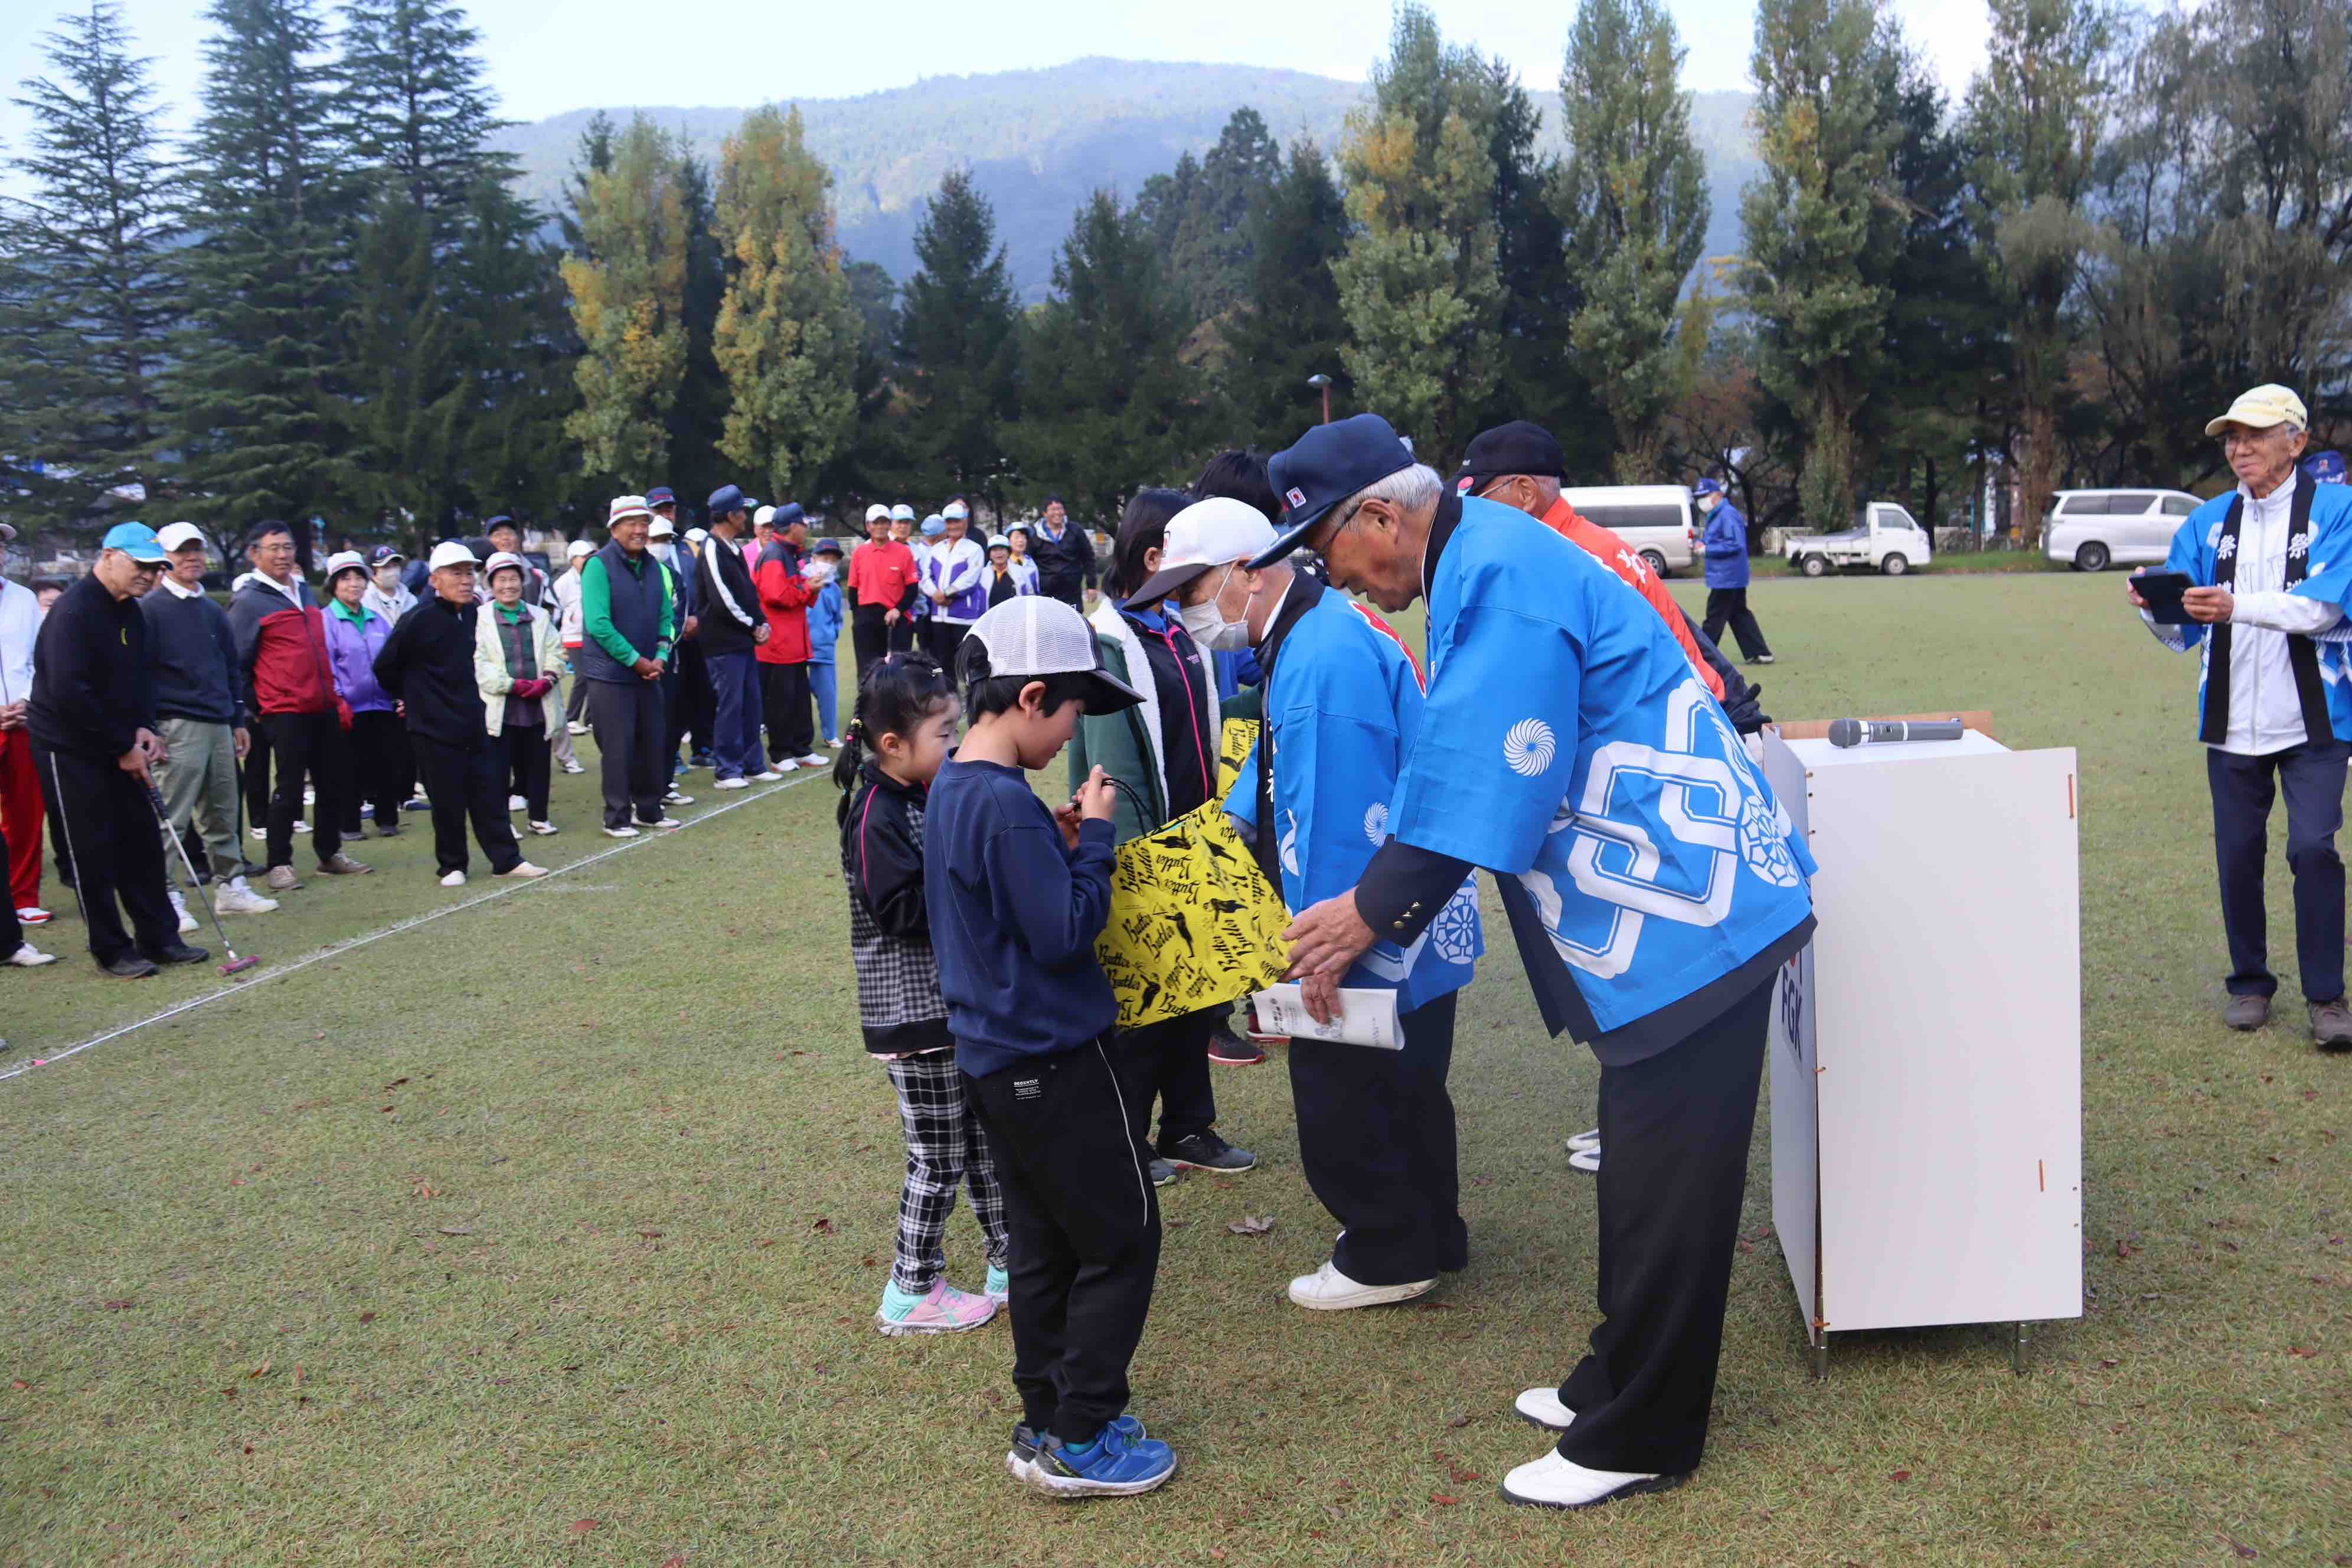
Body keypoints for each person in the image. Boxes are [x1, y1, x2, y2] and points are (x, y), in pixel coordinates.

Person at [1263, 414, 1817, 1510]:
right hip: (1662, 912)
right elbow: (1460, 752)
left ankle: (1641, 1434)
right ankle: (1614, 1376)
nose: (1339, 582)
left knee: (1668, 1188)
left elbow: (1484, 763)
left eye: (1327, 552)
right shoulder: (1480, 561)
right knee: (1639, 1164)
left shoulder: (1499, 575)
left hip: (1691, 917)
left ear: (1378, 516)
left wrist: (1367, 912)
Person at [1138, 496, 1481, 1308]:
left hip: (1365, 924)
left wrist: (1322, 950)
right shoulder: (1318, 634)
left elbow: (1335, 815)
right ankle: (1429, 1228)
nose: (1189, 613)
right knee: (1410, 1087)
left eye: (1194, 590)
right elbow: (1281, 778)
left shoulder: (1318, 658)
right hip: (1413, 918)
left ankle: (1386, 1253)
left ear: (1248, 573)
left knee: (1344, 1092)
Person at [923, 594, 1177, 1497]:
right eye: (1074, 711)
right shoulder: (1007, 806)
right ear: (1032, 698)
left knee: (1044, 1248)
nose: (1076, 733)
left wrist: (1059, 847)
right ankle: (1083, 1435)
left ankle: (1044, 1415)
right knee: (1122, 1239)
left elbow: (1007, 907)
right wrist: (1098, 840)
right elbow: (1066, 935)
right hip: (1055, 1061)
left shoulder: (958, 785)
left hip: (996, 1064)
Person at [2130, 384, 2352, 1050]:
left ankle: (2328, 997)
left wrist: (2234, 606)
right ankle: (2250, 983)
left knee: (2312, 849)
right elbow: (2185, 629)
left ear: (2298, 440)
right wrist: (2154, 604)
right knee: (2237, 855)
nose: (2239, 447)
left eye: (2255, 434)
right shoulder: (2207, 521)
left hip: (2317, 720)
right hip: (2231, 722)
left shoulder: (2338, 511)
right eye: (2231, 436)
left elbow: (2325, 610)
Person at [1072, 489, 1260, 1181]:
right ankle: (1128, 1140)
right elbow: (1109, 761)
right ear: (1155, 558)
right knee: (1143, 1006)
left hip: (1195, 836)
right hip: (1142, 847)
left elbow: (1206, 725)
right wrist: (1142, 855)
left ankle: (1188, 1126)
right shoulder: (1106, 643)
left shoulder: (1179, 635)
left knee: (1199, 992)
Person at [836, 651, 1009, 1335]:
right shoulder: (876, 812)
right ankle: (911, 1288)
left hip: (952, 1008)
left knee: (988, 1142)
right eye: (943, 733)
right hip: (916, 1019)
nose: (957, 743)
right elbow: (898, 911)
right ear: (891, 744)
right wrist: (975, 884)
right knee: (938, 1157)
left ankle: (1010, 1258)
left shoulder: (923, 794)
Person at [27, 523, 208, 978]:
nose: (149, 576)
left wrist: (145, 727)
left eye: (155, 568)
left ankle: (160, 937)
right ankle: (111, 949)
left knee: (141, 843)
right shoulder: (74, 611)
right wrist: (121, 744)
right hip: (68, 747)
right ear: (108, 555)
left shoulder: (132, 611)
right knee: (93, 852)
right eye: (141, 566)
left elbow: (141, 677)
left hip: (119, 740)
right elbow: (71, 693)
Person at [371, 542, 545, 886]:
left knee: (489, 793)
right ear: (435, 580)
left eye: (469, 573)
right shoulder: (418, 619)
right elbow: (385, 667)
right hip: (432, 727)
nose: (466, 580)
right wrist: (409, 697)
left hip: (473, 719)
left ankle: (506, 859)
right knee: (447, 800)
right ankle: (452, 865)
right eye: (456, 573)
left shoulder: (472, 614)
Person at [141, 523, 279, 923]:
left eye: (197, 550)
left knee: (222, 812)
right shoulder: (150, 609)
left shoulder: (210, 609)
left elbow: (230, 668)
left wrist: (237, 719)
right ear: (165, 559)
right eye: (183, 551)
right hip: (175, 725)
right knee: (172, 818)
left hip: (219, 723)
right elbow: (141, 675)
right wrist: (150, 726)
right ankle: (165, 897)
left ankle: (230, 886)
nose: (192, 558)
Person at [228, 520, 370, 891]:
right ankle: (279, 863)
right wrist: (253, 708)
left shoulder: (304, 591)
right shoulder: (248, 602)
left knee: (331, 783)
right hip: (283, 710)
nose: (282, 554)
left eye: (287, 547)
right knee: (289, 788)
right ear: (254, 555)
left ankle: (329, 854)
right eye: (273, 548)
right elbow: (236, 662)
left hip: (322, 705)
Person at [576, 496, 678, 838]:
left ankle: (649, 810)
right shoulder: (597, 566)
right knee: (618, 747)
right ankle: (617, 817)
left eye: (644, 523)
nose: (639, 530)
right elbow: (599, 624)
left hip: (650, 671)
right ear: (614, 528)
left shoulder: (654, 567)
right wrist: (637, 661)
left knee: (652, 741)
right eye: (631, 523)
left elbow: (667, 616)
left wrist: (661, 656)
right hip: (611, 676)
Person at [312, 551, 406, 847]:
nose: (353, 584)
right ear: (333, 586)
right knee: (348, 767)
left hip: (382, 704)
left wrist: (398, 693)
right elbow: (326, 663)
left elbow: (394, 660)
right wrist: (339, 699)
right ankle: (350, 822)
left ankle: (388, 818)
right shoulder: (325, 620)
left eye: (358, 578)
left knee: (387, 763)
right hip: (347, 708)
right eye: (345, 578)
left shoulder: (377, 620)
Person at [477, 551, 565, 837]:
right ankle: (503, 823)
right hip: (501, 706)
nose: (508, 586)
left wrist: (548, 679)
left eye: (514, 579)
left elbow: (556, 652)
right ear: (491, 584)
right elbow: (479, 663)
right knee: (499, 768)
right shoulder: (480, 618)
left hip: (537, 704)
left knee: (539, 764)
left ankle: (538, 817)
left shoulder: (539, 616)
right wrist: (511, 685)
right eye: (501, 580)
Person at [695, 492, 776, 790]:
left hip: (742, 641)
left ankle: (753, 764)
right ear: (730, 516)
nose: (746, 516)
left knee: (752, 704)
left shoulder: (733, 548)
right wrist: (753, 625)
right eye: (742, 511)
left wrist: (761, 622)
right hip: (722, 643)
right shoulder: (712, 548)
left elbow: (747, 593)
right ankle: (727, 770)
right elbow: (721, 599)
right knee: (730, 705)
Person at [752, 501, 827, 773]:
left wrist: (811, 588)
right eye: (803, 524)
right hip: (778, 644)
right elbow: (777, 596)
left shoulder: (787, 554)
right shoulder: (774, 555)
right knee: (780, 701)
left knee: (797, 698)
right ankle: (780, 752)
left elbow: (794, 594)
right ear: (793, 526)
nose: (806, 529)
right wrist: (809, 587)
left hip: (792, 641)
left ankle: (800, 748)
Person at [0, 527, 50, 927]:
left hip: (21, 721)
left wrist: (28, 700)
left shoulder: (23, 598)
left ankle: (23, 897)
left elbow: (39, 660)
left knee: (25, 814)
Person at [647, 509, 700, 806]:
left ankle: (665, 784)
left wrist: (661, 650)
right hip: (638, 665)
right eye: (656, 539)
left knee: (670, 724)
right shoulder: (634, 574)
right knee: (645, 728)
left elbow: (678, 619)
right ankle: (643, 789)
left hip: (669, 662)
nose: (660, 544)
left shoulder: (674, 577)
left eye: (666, 539)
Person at [1696, 478, 1773, 666]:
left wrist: (1707, 550)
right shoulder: (1716, 515)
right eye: (1699, 497)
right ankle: (1760, 652)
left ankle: (1702, 657)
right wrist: (1703, 545)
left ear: (1717, 495)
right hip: (1729, 575)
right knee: (1739, 614)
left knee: (1714, 617)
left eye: (1704, 496)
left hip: (1728, 576)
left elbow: (1735, 544)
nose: (1701, 501)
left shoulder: (1727, 515)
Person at [847, 505, 921, 678]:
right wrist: (859, 616)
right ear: (868, 526)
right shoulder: (860, 553)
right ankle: (868, 704)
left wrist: (898, 610)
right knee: (868, 670)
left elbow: (912, 588)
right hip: (866, 617)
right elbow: (853, 589)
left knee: (898, 671)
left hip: (897, 615)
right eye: (876, 523)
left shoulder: (904, 552)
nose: (880, 527)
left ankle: (898, 704)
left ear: (889, 525)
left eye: (884, 523)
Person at [923, 502, 987, 669]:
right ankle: (949, 695)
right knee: (944, 664)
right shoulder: (936, 549)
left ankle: (971, 695)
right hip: (938, 616)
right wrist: (935, 594)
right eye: (949, 522)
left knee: (968, 664)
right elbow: (925, 577)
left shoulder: (974, 549)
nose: (953, 526)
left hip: (963, 617)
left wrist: (945, 593)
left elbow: (970, 579)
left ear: (965, 522)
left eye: (956, 521)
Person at [806, 537, 846, 747]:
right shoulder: (798, 580)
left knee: (827, 693)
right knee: (796, 695)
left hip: (824, 647)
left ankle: (830, 735)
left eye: (833, 560)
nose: (828, 563)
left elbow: (838, 619)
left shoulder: (834, 589)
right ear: (813, 558)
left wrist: (831, 634)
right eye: (824, 557)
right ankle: (799, 739)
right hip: (798, 647)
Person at [554, 539, 594, 748]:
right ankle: (571, 718)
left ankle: (589, 719)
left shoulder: (593, 577)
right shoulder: (563, 582)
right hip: (572, 636)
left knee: (593, 676)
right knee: (582, 676)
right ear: (572, 560)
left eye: (589, 556)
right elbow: (560, 607)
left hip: (591, 635)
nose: (587, 560)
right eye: (583, 557)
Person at [1030, 495, 1099, 609]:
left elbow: (1088, 558)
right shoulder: (1034, 534)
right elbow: (1028, 562)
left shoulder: (1075, 530)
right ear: (1044, 513)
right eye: (1053, 509)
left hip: (1072, 592)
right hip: (1045, 594)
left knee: (1073, 624)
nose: (1057, 512)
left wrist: (1092, 585)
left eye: (1060, 508)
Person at [482, 517, 547, 607]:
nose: (505, 538)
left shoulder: (535, 571)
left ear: (518, 538)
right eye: (498, 535)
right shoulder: (480, 572)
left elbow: (551, 608)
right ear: (487, 540)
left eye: (510, 533)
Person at [362, 545, 416, 625]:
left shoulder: (410, 599)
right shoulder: (365, 601)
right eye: (386, 567)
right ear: (372, 573)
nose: (393, 572)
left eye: (395, 566)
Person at [982, 535, 1029, 609]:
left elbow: (1030, 595)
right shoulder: (982, 575)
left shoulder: (1020, 571)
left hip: (1016, 617)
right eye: (994, 550)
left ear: (1008, 552)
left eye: (1002, 549)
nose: (999, 553)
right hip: (990, 618)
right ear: (989, 555)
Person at [1005, 524, 1041, 596]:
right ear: (1008, 541)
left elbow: (1036, 589)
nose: (1021, 540)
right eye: (1017, 537)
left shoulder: (1031, 563)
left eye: (1024, 537)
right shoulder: (1003, 563)